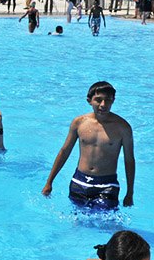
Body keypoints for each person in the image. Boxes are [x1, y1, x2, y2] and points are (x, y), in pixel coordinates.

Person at [42, 81, 134, 209]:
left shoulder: (123, 128)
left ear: (113, 100)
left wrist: (130, 193)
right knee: (77, 222)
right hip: (79, 181)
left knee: (106, 225)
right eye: (98, 100)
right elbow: (64, 152)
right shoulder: (79, 123)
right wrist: (49, 182)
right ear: (89, 100)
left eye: (108, 100)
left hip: (107, 185)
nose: (103, 105)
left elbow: (129, 160)